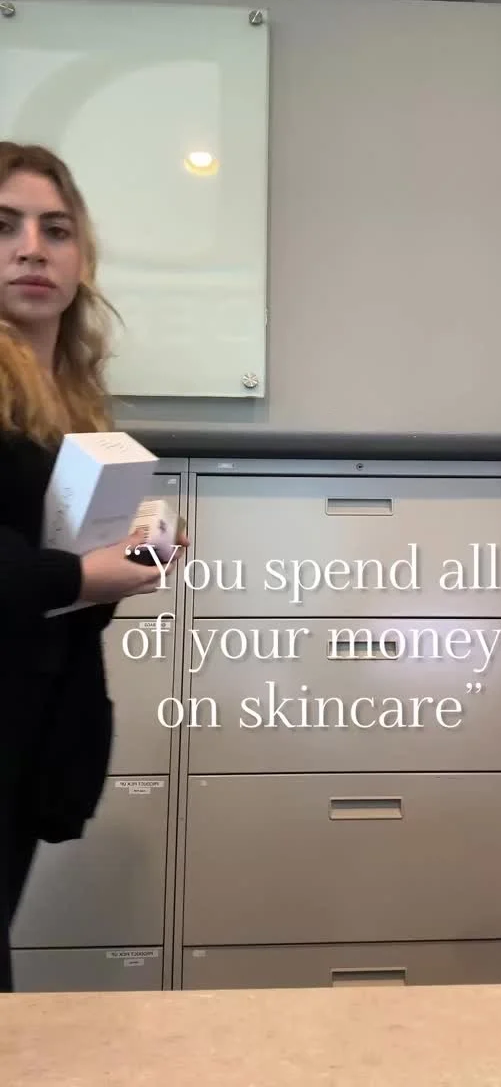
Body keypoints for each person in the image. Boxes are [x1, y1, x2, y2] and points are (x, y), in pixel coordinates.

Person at [0, 140, 186, 992]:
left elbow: (52, 599)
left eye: (56, 229)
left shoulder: (69, 410)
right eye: (5, 227)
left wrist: (136, 557)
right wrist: (87, 576)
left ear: (81, 257)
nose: (32, 249)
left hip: (27, 741)